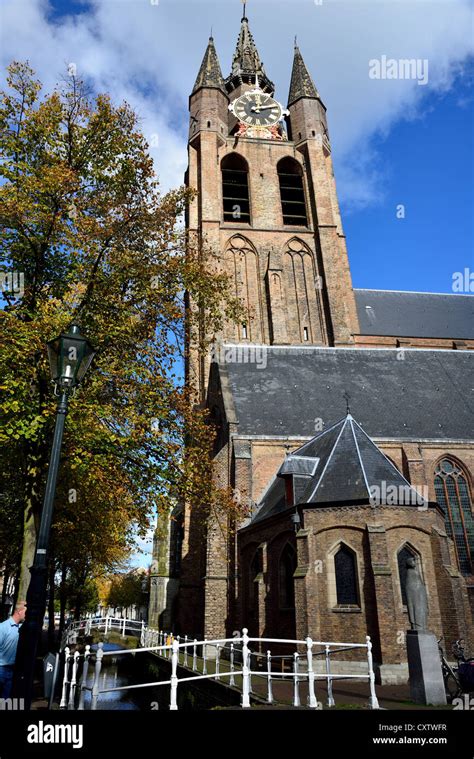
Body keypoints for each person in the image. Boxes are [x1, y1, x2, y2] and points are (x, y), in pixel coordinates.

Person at [0, 601, 27, 699]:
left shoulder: (21, 628)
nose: (26, 615)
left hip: (12, 670)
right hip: (1, 669)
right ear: (19, 611)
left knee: (6, 700)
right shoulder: (3, 627)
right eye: (25, 612)